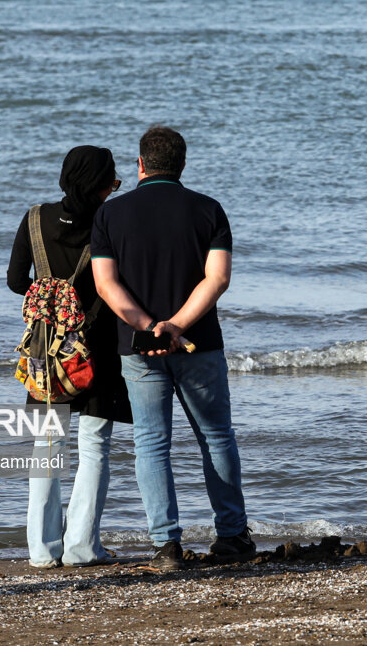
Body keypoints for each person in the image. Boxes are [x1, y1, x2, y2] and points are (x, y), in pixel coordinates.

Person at [91, 126, 253, 571]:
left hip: (138, 348)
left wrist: (149, 329)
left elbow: (106, 284)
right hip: (198, 343)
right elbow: (217, 279)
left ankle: (166, 545)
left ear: (140, 164)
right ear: (182, 165)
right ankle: (233, 535)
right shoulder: (208, 210)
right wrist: (178, 325)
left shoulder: (109, 215)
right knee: (216, 437)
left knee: (151, 444)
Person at [7, 145, 132, 569]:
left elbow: (13, 281)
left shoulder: (34, 218)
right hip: (96, 351)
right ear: (98, 186)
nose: (113, 191)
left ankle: (42, 552)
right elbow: (118, 284)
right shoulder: (109, 221)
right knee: (94, 446)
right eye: (111, 183)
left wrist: (50, 296)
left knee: (46, 447)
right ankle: (82, 548)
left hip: (46, 350)